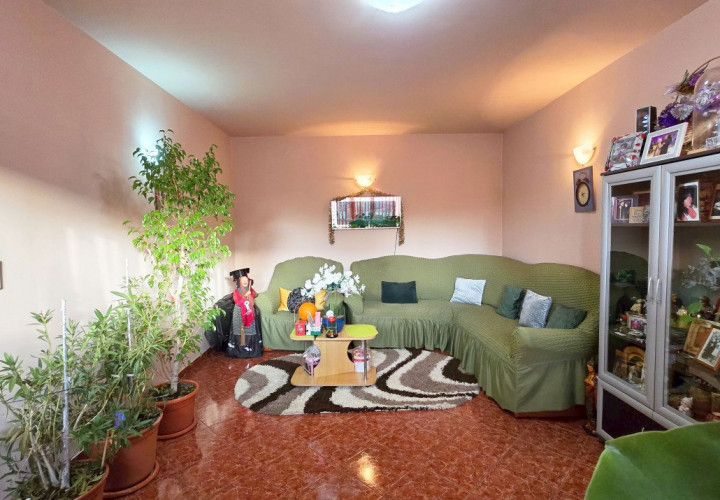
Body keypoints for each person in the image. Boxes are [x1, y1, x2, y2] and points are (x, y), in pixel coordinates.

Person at [227, 268, 263, 358]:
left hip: (250, 312)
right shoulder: (237, 292)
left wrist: (250, 295)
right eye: (242, 281)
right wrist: (245, 298)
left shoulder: (250, 289)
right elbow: (237, 300)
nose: (245, 282)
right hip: (239, 312)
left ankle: (252, 351)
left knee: (251, 330)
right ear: (238, 282)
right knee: (239, 330)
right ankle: (239, 351)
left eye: (246, 280)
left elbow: (255, 295)